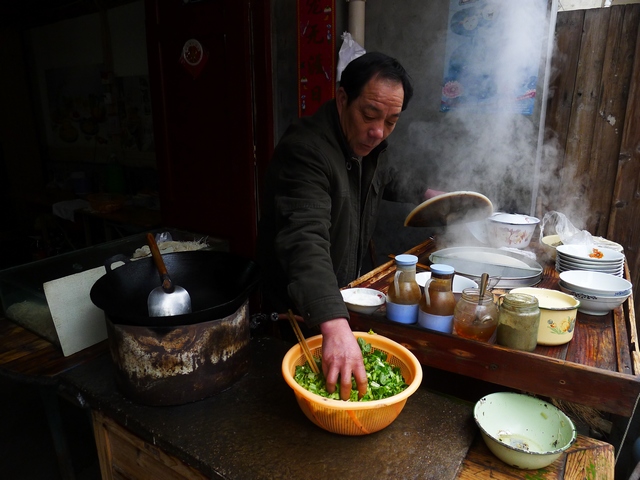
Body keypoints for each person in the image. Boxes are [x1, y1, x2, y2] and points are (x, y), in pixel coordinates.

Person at [258, 52, 424, 400]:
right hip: (297, 311)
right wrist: (333, 321)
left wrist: (432, 196)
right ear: (343, 98)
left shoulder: (365, 145)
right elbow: (305, 238)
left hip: (336, 300)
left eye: (392, 121)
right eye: (370, 115)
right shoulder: (306, 151)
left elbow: (388, 179)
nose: (378, 132)